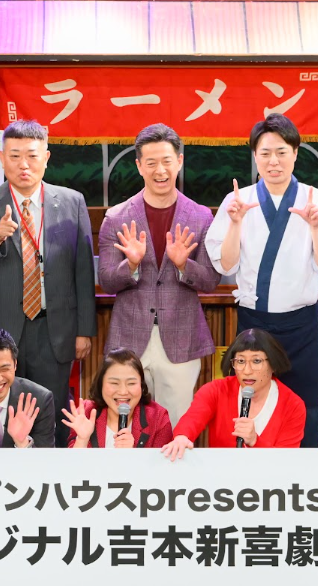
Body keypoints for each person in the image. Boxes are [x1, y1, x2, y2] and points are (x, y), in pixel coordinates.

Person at [205, 113, 318, 447]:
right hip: (254, 324)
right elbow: (225, 263)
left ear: (295, 153)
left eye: (282, 152)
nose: (274, 161)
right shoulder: (237, 201)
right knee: (251, 408)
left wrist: (315, 228)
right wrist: (236, 223)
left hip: (302, 324)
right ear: (255, 156)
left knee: (307, 408)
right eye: (265, 153)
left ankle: (304, 476)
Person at [0, 119, 96, 446]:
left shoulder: (72, 202)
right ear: (1, 158)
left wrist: (84, 330)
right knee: (1, 412)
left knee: (53, 409)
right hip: (1, 330)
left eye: (32, 156)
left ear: (46, 158)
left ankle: (51, 472)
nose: (24, 164)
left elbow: (83, 270)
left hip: (55, 328)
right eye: (15, 156)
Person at [98, 124, 220, 427]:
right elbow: (107, 281)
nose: (160, 170)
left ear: (179, 161)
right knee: (126, 425)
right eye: (151, 163)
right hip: (129, 337)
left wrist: (183, 265)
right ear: (139, 166)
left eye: (167, 161)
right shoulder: (117, 217)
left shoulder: (201, 216)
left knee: (176, 425)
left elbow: (210, 280)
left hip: (181, 337)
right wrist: (131, 265)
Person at [161, 329, 305, 459]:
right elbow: (192, 419)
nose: (247, 371)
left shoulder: (293, 405)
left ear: (273, 364)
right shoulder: (215, 390)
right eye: (240, 361)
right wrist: (182, 436)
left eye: (256, 361)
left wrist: (255, 441)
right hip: (220, 476)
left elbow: (286, 461)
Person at [62, 348, 173, 448]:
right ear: (101, 384)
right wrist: (82, 440)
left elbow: (161, 464)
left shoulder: (158, 418)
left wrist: (133, 454)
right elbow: (72, 464)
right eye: (114, 383)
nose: (123, 392)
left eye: (131, 383)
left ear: (142, 385)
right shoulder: (86, 413)